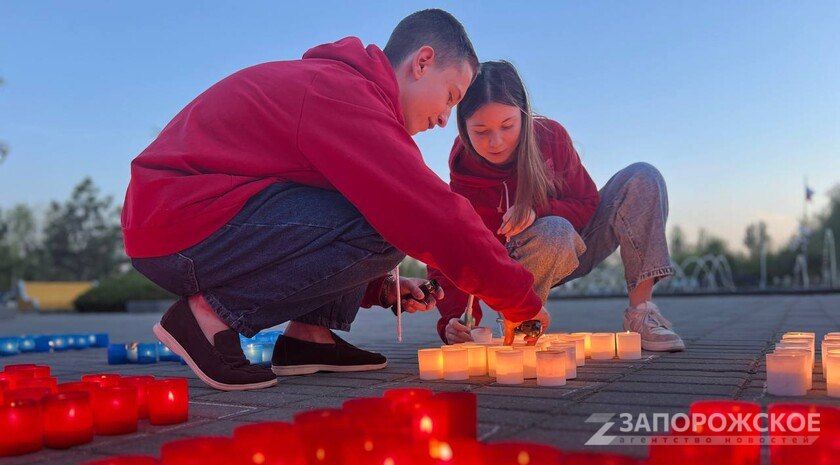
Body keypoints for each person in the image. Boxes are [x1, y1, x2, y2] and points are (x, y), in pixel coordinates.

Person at [123, 10, 550, 391]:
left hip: (188, 220)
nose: (443, 119)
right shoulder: (341, 93)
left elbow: (317, 219)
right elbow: (433, 215)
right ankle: (207, 318)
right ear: (422, 62)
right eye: (450, 97)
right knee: (390, 216)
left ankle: (310, 337)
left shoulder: (343, 90)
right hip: (178, 223)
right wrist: (520, 302)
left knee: (370, 201)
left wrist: (376, 286)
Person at [430, 61, 685, 352]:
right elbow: (449, 246)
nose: (496, 142)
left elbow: (587, 204)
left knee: (643, 177)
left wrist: (537, 211)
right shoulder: (464, 169)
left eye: (507, 126)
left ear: (524, 115)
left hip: (571, 245)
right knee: (555, 230)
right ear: (463, 128)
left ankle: (642, 313)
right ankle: (521, 320)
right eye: (481, 131)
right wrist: (455, 318)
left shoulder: (550, 137)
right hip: (506, 272)